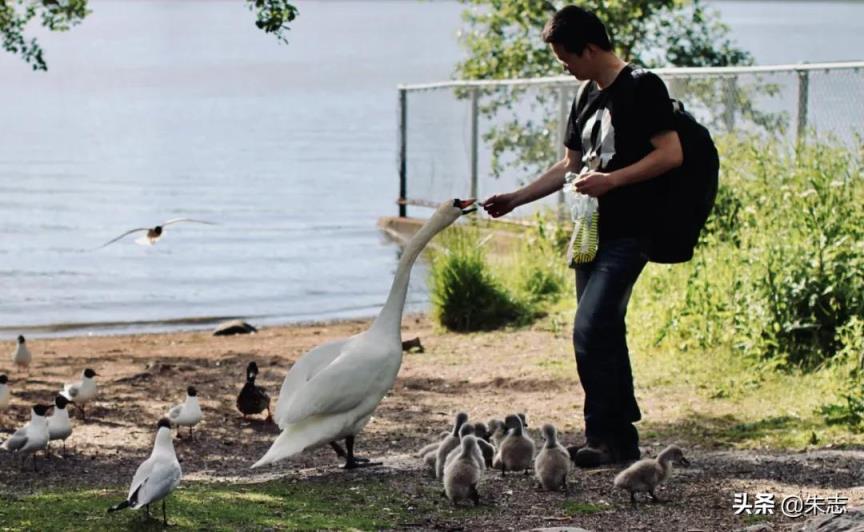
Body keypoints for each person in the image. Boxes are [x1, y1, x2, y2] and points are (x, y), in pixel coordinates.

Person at [482, 5, 683, 467]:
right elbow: (571, 166)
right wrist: (516, 198)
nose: (564, 67)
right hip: (590, 232)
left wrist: (612, 181)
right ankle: (613, 440)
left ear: (590, 49)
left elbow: (670, 154)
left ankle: (608, 436)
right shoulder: (586, 96)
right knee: (600, 332)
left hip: (632, 232)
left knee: (591, 328)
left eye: (565, 58)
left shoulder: (642, 87)